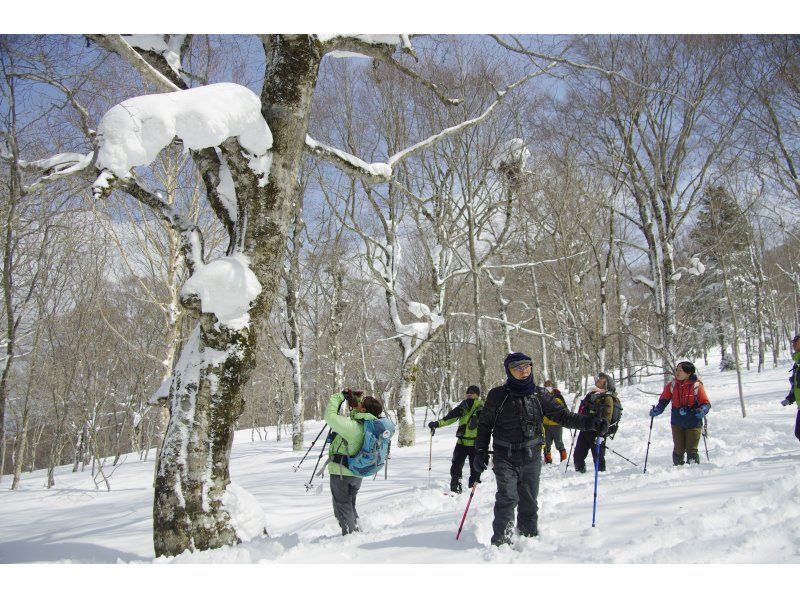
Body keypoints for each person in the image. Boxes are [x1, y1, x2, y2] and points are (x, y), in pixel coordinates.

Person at [473, 352, 605, 546]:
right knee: (507, 498)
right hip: (505, 456)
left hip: (531, 456)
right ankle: (501, 544)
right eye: (517, 368)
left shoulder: (540, 394)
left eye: (527, 366)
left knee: (528, 500)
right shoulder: (497, 395)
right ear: (508, 371)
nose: (523, 371)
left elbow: (563, 416)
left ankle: (528, 539)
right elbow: (484, 425)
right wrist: (480, 451)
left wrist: (591, 423)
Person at [324, 389, 385, 535]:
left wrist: (339, 397)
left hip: (342, 473)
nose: (358, 404)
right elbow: (358, 414)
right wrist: (357, 400)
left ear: (363, 409)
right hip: (356, 472)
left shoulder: (353, 428)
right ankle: (356, 531)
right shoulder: (369, 425)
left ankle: (351, 538)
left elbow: (329, 416)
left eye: (360, 404)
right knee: (349, 506)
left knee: (342, 509)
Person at [649, 361, 711, 465]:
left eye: (680, 370)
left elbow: (706, 403)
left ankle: (694, 472)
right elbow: (664, 400)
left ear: (689, 373)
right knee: (678, 449)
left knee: (691, 449)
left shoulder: (696, 386)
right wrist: (658, 409)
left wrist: (703, 410)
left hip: (693, 421)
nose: (677, 372)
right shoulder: (672, 385)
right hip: (677, 421)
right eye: (677, 370)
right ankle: (678, 470)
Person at [428, 384, 484, 493]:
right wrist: (437, 424)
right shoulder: (462, 407)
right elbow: (449, 418)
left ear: (477, 395)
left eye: (472, 392)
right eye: (467, 392)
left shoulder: (482, 408)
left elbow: (490, 423)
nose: (469, 394)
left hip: (475, 443)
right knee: (456, 466)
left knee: (475, 468)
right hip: (461, 442)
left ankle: (474, 490)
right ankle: (455, 488)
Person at [573, 372, 617, 473]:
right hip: (585, 429)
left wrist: (603, 430)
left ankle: (601, 476)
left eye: (602, 378)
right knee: (577, 456)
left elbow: (607, 416)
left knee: (598, 457)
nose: (599, 379)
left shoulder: (607, 398)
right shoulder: (591, 395)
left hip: (597, 432)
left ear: (606, 384)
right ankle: (580, 475)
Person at [542, 379, 568, 464]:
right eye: (546, 386)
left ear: (552, 387)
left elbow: (564, 409)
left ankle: (563, 459)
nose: (548, 387)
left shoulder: (558, 396)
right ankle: (548, 459)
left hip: (557, 424)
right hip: (545, 424)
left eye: (549, 386)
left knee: (559, 442)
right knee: (546, 443)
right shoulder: (542, 396)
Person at [780, 335, 800, 443]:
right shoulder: (797, 362)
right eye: (793, 342)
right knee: (798, 433)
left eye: (796, 341)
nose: (794, 344)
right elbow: (796, 384)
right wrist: (790, 398)